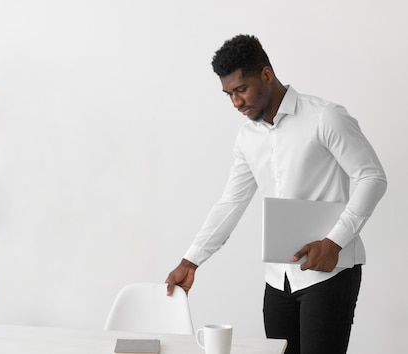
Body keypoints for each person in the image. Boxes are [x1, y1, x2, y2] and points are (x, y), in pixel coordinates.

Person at [164, 34, 387, 354]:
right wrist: (191, 260)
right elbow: (232, 201)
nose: (236, 102)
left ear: (266, 74)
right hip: (277, 280)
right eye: (229, 94)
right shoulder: (246, 138)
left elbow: (371, 177)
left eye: (241, 89)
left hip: (329, 273)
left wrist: (334, 241)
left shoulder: (325, 117)